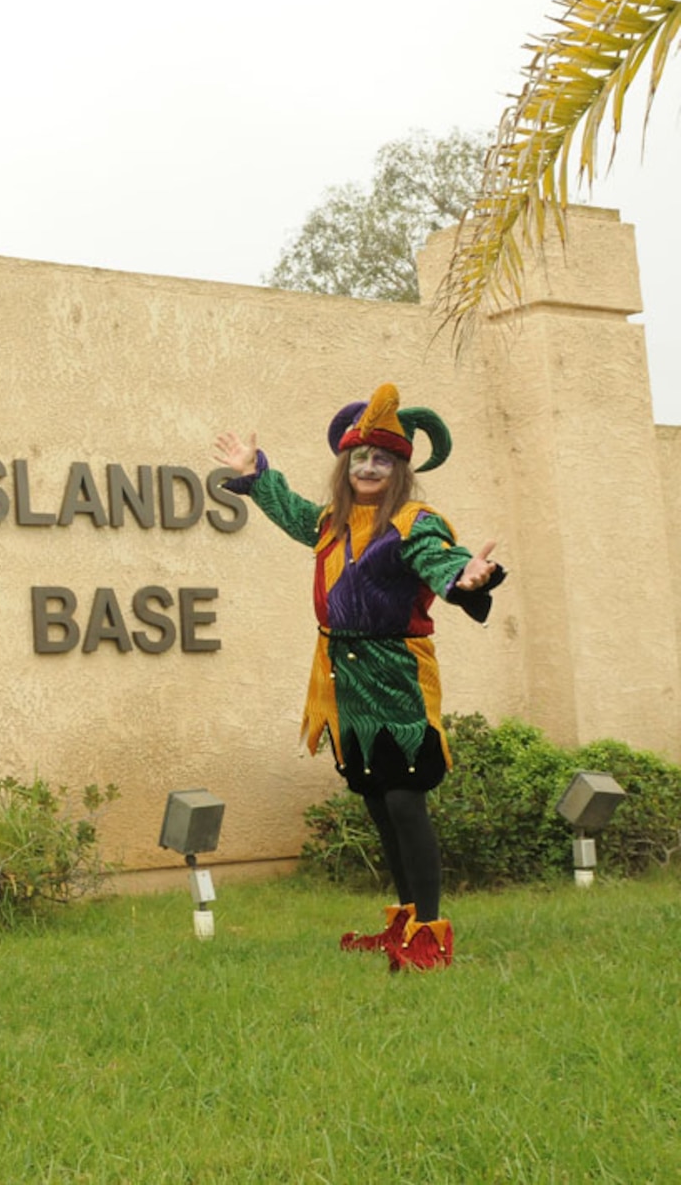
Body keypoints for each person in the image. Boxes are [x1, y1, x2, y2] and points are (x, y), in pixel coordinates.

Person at [213, 383, 503, 971]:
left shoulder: (413, 522)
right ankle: (402, 922)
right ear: (345, 467)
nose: (368, 468)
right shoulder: (332, 522)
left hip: (396, 675)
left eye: (382, 460)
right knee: (376, 799)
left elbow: (440, 559)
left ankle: (429, 934)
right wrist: (254, 473)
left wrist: (467, 576)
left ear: (400, 469)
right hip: (341, 675)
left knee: (404, 799)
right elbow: (291, 510)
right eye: (358, 459)